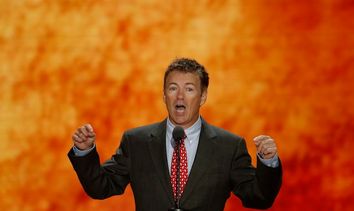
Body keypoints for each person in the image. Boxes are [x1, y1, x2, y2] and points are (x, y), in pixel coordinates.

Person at [68, 58, 282, 211]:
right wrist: (84, 151)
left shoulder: (228, 147)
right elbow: (100, 187)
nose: (180, 96)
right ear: (164, 95)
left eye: (189, 89)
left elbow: (259, 198)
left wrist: (268, 161)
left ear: (203, 96)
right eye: (173, 88)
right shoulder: (137, 142)